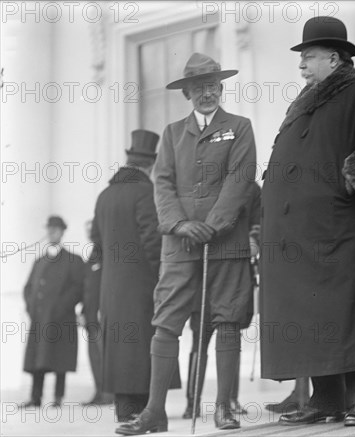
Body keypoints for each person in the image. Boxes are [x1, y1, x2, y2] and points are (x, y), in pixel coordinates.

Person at [260, 16, 355, 427]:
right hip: (295, 235)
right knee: (312, 318)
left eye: (308, 57)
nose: (302, 66)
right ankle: (325, 400)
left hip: (340, 228)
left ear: (335, 58)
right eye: (302, 58)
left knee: (353, 310)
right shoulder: (302, 105)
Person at [116, 53, 257, 435]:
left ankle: (223, 407)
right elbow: (161, 183)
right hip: (180, 246)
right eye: (198, 88)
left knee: (227, 320)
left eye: (212, 86)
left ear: (221, 88)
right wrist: (180, 224)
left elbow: (241, 178)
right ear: (187, 94)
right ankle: (154, 412)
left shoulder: (240, 127)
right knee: (166, 322)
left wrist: (212, 224)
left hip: (226, 243)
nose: (206, 93)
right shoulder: (172, 133)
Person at [92, 130, 178, 422]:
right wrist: (163, 276)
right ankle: (143, 409)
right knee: (142, 345)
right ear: (149, 165)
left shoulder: (104, 196)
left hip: (110, 286)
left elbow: (97, 242)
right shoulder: (146, 192)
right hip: (142, 284)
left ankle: (123, 409)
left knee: (118, 344)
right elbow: (153, 242)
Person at [181, 182, 260, 420]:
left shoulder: (251, 188)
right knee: (199, 342)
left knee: (230, 335)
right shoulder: (200, 183)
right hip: (201, 274)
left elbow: (259, 221)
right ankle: (192, 403)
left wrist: (254, 240)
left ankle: (228, 400)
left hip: (235, 272)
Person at [21, 216, 83, 408]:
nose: (52, 233)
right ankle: (35, 397)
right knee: (37, 359)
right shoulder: (40, 261)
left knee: (60, 358)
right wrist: (32, 308)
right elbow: (28, 287)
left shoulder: (73, 260)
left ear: (63, 232)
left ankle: (58, 398)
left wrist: (61, 308)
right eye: (50, 229)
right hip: (40, 318)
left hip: (61, 318)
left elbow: (78, 288)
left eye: (56, 229)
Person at [81, 220, 113, 406]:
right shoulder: (92, 256)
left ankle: (109, 394)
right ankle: (99, 392)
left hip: (103, 314)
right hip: (90, 316)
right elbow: (87, 289)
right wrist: (84, 312)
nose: (89, 233)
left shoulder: (106, 254)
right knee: (94, 356)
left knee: (104, 355)